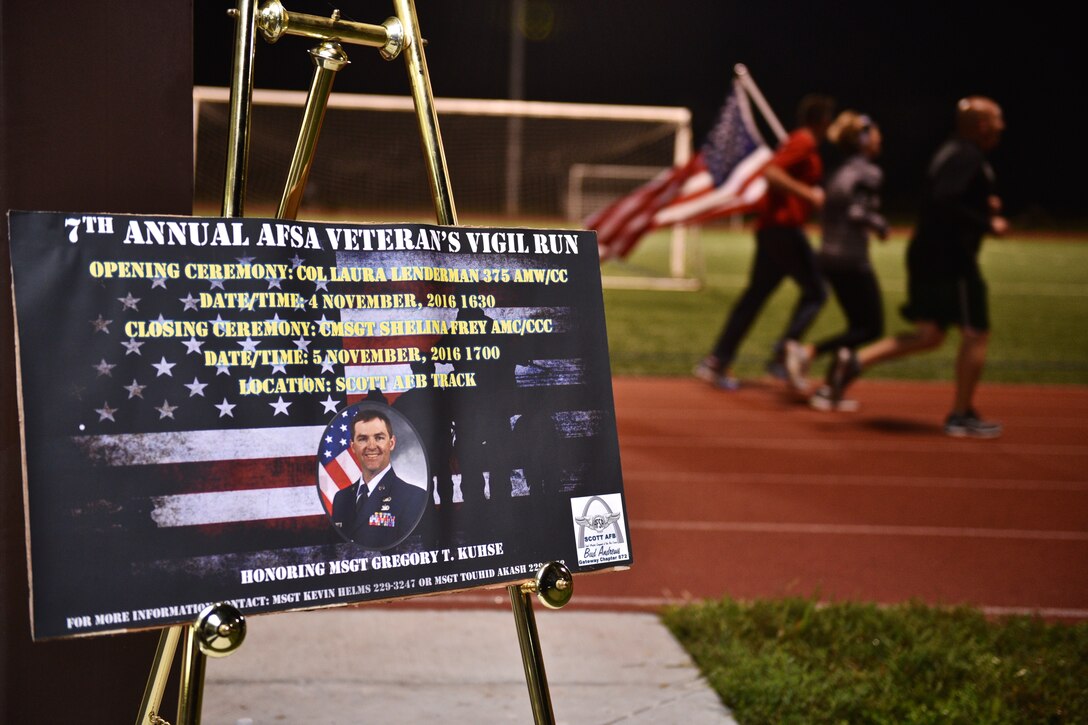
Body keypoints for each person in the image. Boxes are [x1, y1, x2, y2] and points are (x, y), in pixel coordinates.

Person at [827, 96, 1008, 438]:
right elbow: (944, 201)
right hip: (950, 260)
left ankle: (855, 361)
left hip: (928, 254)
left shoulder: (951, 151)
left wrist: (981, 207)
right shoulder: (967, 155)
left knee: (930, 335)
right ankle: (961, 414)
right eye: (997, 119)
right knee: (976, 332)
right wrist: (988, 222)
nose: (1002, 126)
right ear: (981, 124)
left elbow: (944, 197)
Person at [693, 93, 835, 392]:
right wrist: (809, 195)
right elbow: (771, 173)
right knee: (817, 291)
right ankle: (783, 355)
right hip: (783, 230)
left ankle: (717, 359)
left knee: (756, 295)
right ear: (823, 121)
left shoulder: (800, 141)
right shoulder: (804, 142)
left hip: (774, 230)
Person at [780, 110, 889, 410]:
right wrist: (879, 225)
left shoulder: (839, 172)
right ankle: (808, 353)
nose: (880, 138)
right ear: (864, 140)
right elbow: (857, 212)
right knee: (872, 327)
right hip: (851, 257)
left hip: (827, 254)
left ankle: (831, 389)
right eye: (876, 133)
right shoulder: (868, 173)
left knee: (858, 325)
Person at [331, 408, 429, 548]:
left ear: (391, 443)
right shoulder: (341, 498)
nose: (371, 446)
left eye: (379, 438)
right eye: (363, 439)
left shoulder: (414, 497)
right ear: (353, 447)